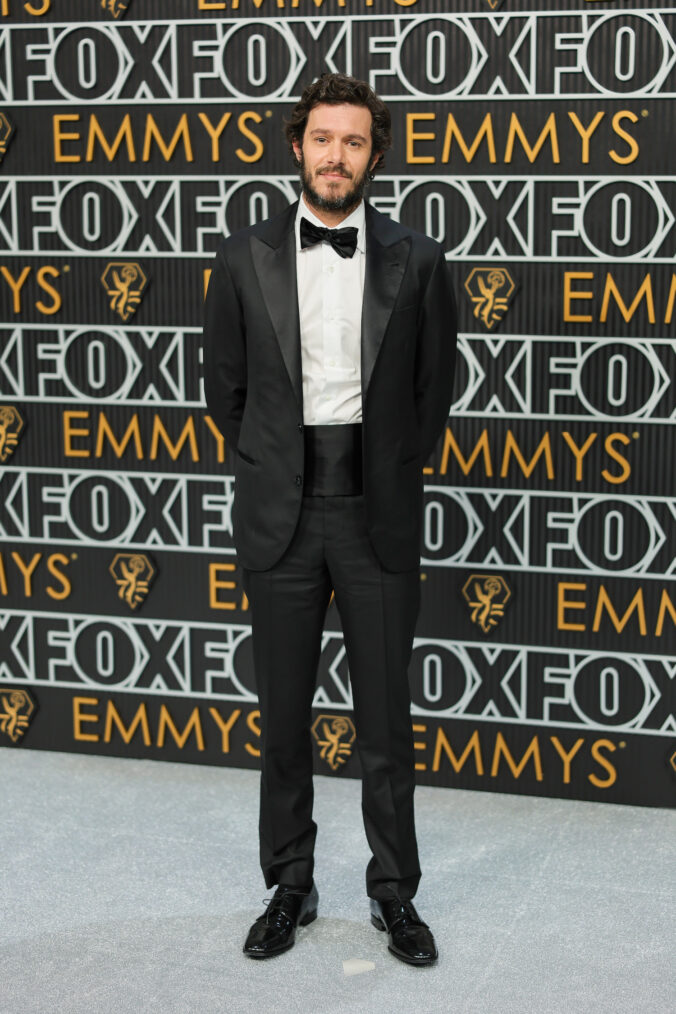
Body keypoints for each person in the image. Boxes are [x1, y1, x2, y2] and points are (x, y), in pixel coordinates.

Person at [203, 72, 457, 966]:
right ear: (297, 146)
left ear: (375, 156)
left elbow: (433, 396)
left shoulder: (418, 260)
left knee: (386, 724)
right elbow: (225, 394)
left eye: (354, 142)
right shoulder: (242, 258)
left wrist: (380, 470)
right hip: (280, 518)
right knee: (282, 721)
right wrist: (285, 468)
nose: (336, 156)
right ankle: (289, 886)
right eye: (322, 138)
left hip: (377, 514)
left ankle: (395, 897)